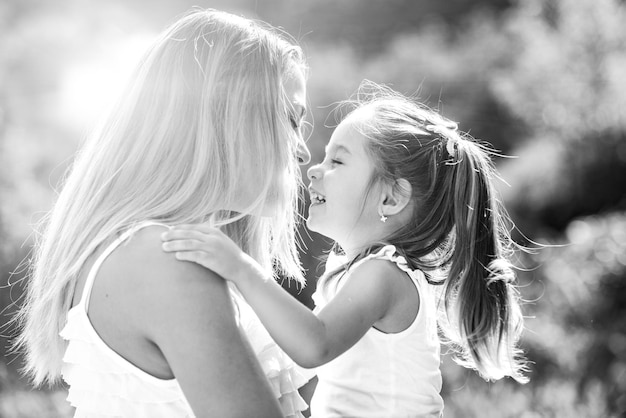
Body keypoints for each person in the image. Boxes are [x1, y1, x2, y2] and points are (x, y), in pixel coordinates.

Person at [161, 81, 529, 417]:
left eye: (337, 161)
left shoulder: (383, 276)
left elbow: (314, 345)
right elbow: (304, 359)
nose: (314, 171)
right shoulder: (360, 272)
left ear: (391, 198)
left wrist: (240, 268)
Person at [12, 8, 314, 417]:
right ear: (228, 114)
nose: (303, 150)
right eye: (290, 119)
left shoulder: (148, 249)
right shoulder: (167, 258)